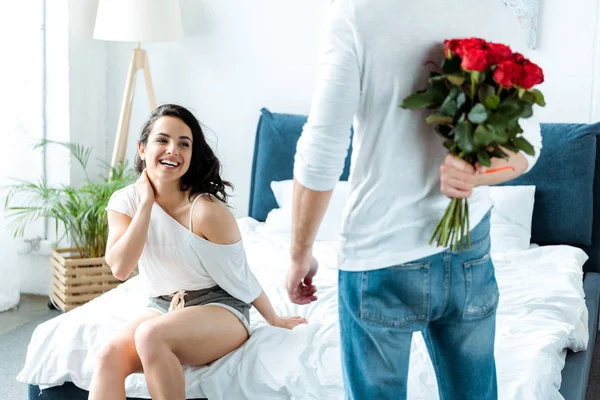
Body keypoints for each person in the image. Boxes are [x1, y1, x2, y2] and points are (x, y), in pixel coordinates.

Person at [285, 1, 542, 399]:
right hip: (468, 248)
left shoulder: (357, 12)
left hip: (379, 253)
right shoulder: (497, 12)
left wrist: (299, 253)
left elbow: (322, 150)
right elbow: (530, 145)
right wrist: (477, 171)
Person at [90, 104, 306, 400]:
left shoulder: (206, 211)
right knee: (106, 357)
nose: (172, 150)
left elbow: (241, 276)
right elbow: (120, 268)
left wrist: (274, 319)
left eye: (184, 144)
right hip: (164, 306)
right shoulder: (125, 202)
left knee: (150, 335)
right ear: (142, 149)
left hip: (221, 308)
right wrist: (145, 205)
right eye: (162, 140)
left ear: (192, 155)